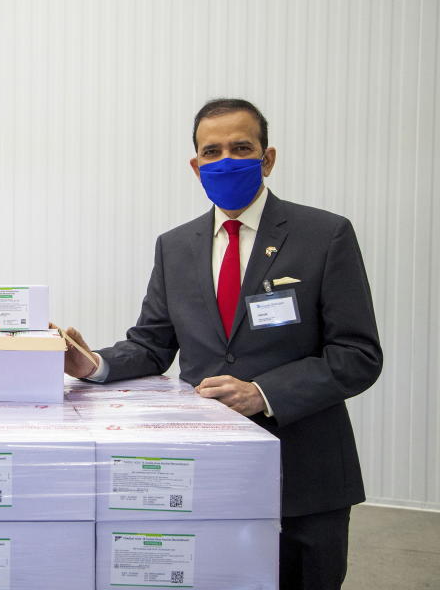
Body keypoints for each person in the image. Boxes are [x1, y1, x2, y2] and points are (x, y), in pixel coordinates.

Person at [62, 99, 382, 590]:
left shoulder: (325, 234)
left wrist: (263, 392)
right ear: (196, 165)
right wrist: (94, 365)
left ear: (267, 158)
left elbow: (358, 356)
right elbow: (151, 344)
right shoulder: (175, 246)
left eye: (241, 147)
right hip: (203, 470)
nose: (225, 159)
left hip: (304, 475)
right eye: (212, 151)